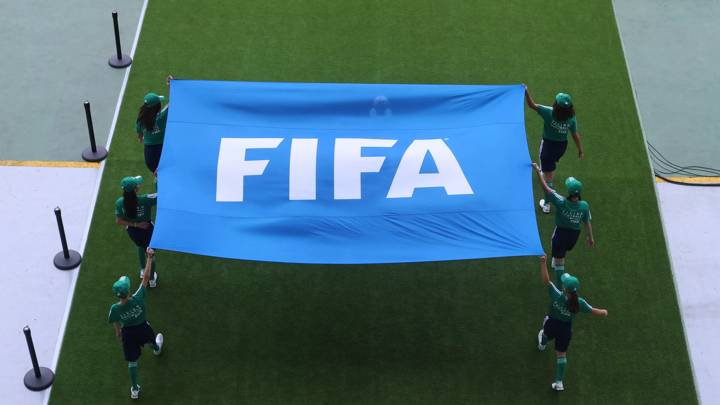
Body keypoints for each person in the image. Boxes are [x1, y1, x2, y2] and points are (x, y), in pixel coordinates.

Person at [536, 255, 607, 391]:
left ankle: (542, 345)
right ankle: (559, 382)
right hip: (565, 330)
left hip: (552, 323)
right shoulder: (579, 303)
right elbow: (593, 310)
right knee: (561, 354)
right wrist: (604, 312)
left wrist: (543, 263)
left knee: (545, 333)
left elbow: (546, 280)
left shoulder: (557, 295)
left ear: (565, 289)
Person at [108, 248, 164, 400]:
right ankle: (157, 348)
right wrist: (150, 258)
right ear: (128, 290)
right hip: (142, 327)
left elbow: (114, 321)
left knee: (132, 361)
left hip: (128, 334)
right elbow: (145, 278)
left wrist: (118, 332)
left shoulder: (115, 308)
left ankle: (134, 389)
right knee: (152, 340)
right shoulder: (138, 297)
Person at [524, 86, 584, 214]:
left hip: (548, 147)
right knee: (550, 169)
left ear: (556, 105)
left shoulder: (549, 112)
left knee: (547, 177)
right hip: (561, 147)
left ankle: (546, 204)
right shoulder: (571, 118)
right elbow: (575, 134)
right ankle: (548, 177)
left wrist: (525, 91)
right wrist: (580, 149)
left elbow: (531, 105)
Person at [532, 162, 594, 284]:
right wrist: (590, 237)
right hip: (574, 236)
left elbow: (546, 188)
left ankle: (561, 289)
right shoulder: (584, 206)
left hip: (561, 235)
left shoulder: (561, 202)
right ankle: (557, 262)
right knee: (561, 254)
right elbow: (587, 221)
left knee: (560, 262)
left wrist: (538, 171)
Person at [115, 176, 158, 286]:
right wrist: (157, 180)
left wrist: (136, 224)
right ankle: (152, 279)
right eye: (137, 184)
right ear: (136, 190)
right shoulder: (145, 199)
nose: (139, 185)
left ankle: (143, 270)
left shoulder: (120, 203)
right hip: (148, 230)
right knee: (151, 254)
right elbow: (162, 196)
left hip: (133, 232)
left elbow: (119, 221)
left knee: (139, 246)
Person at [136, 76, 172, 176]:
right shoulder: (162, 116)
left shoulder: (140, 120)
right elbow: (172, 102)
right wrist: (170, 85)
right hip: (162, 151)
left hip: (149, 155)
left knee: (158, 176)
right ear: (158, 107)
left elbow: (140, 137)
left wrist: (143, 137)